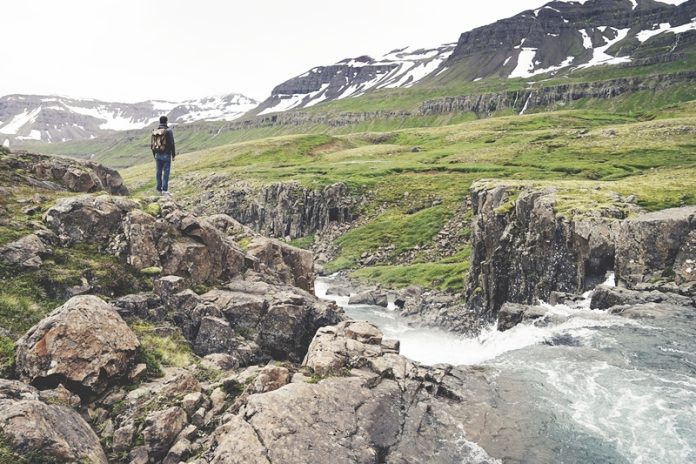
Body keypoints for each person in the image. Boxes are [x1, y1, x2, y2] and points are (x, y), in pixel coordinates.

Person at [151, 115, 176, 195]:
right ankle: (164, 190)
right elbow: (172, 143)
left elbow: (152, 144)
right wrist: (173, 154)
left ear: (160, 121)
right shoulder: (168, 131)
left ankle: (159, 189)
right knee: (166, 172)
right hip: (166, 154)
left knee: (158, 172)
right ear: (166, 121)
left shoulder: (156, 131)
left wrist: (155, 154)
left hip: (157, 154)